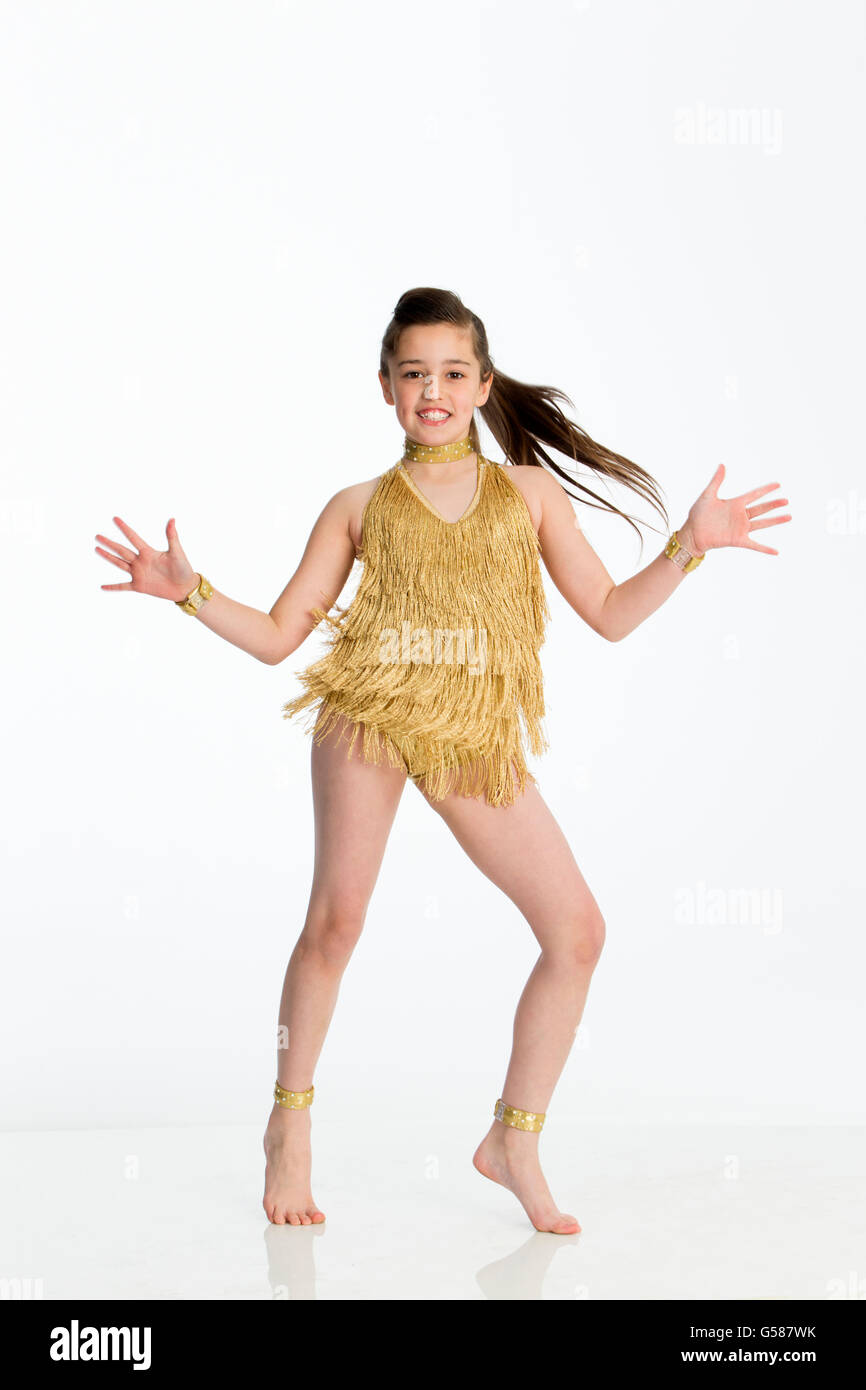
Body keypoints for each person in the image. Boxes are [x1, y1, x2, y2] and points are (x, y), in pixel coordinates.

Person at [95, 286, 791, 1234]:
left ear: (482, 384)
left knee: (576, 931)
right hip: (369, 715)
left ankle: (513, 1139)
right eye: (413, 372)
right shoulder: (355, 506)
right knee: (336, 922)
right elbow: (275, 636)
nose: (433, 389)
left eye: (452, 373)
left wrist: (690, 545)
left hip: (471, 734)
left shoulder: (530, 495)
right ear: (385, 387)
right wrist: (189, 592)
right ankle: (287, 1124)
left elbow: (613, 615)